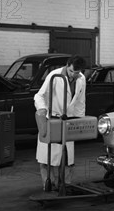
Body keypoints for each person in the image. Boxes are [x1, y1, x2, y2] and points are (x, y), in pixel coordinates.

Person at [34, 55, 86, 190]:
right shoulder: (54, 76)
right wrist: (41, 109)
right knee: (47, 159)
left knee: (67, 159)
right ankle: (48, 184)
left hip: (68, 121)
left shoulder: (81, 78)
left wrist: (79, 122)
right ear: (67, 65)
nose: (73, 75)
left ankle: (65, 185)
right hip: (52, 120)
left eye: (77, 73)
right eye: (71, 72)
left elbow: (80, 102)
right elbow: (39, 95)